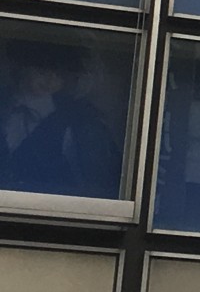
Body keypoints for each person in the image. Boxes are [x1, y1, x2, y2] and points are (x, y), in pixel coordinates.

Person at [0, 36, 121, 199]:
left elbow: (94, 179)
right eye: (42, 71)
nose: (50, 79)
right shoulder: (4, 106)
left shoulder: (78, 119)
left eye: (58, 74)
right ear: (22, 68)